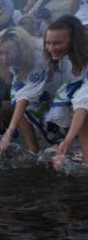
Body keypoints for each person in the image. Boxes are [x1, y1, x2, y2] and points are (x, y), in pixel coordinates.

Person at [0, 27, 52, 154]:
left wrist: (9, 132)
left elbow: (25, 98)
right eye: (1, 53)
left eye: (8, 53)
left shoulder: (37, 57)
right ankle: (33, 148)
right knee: (16, 100)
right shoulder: (15, 60)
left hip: (55, 81)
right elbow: (19, 96)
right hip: (33, 82)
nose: (4, 58)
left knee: (47, 112)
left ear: (20, 50)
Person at [43, 15, 88, 169]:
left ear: (73, 41)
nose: (50, 48)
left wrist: (66, 142)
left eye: (57, 43)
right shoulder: (77, 55)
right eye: (48, 43)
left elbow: (82, 101)